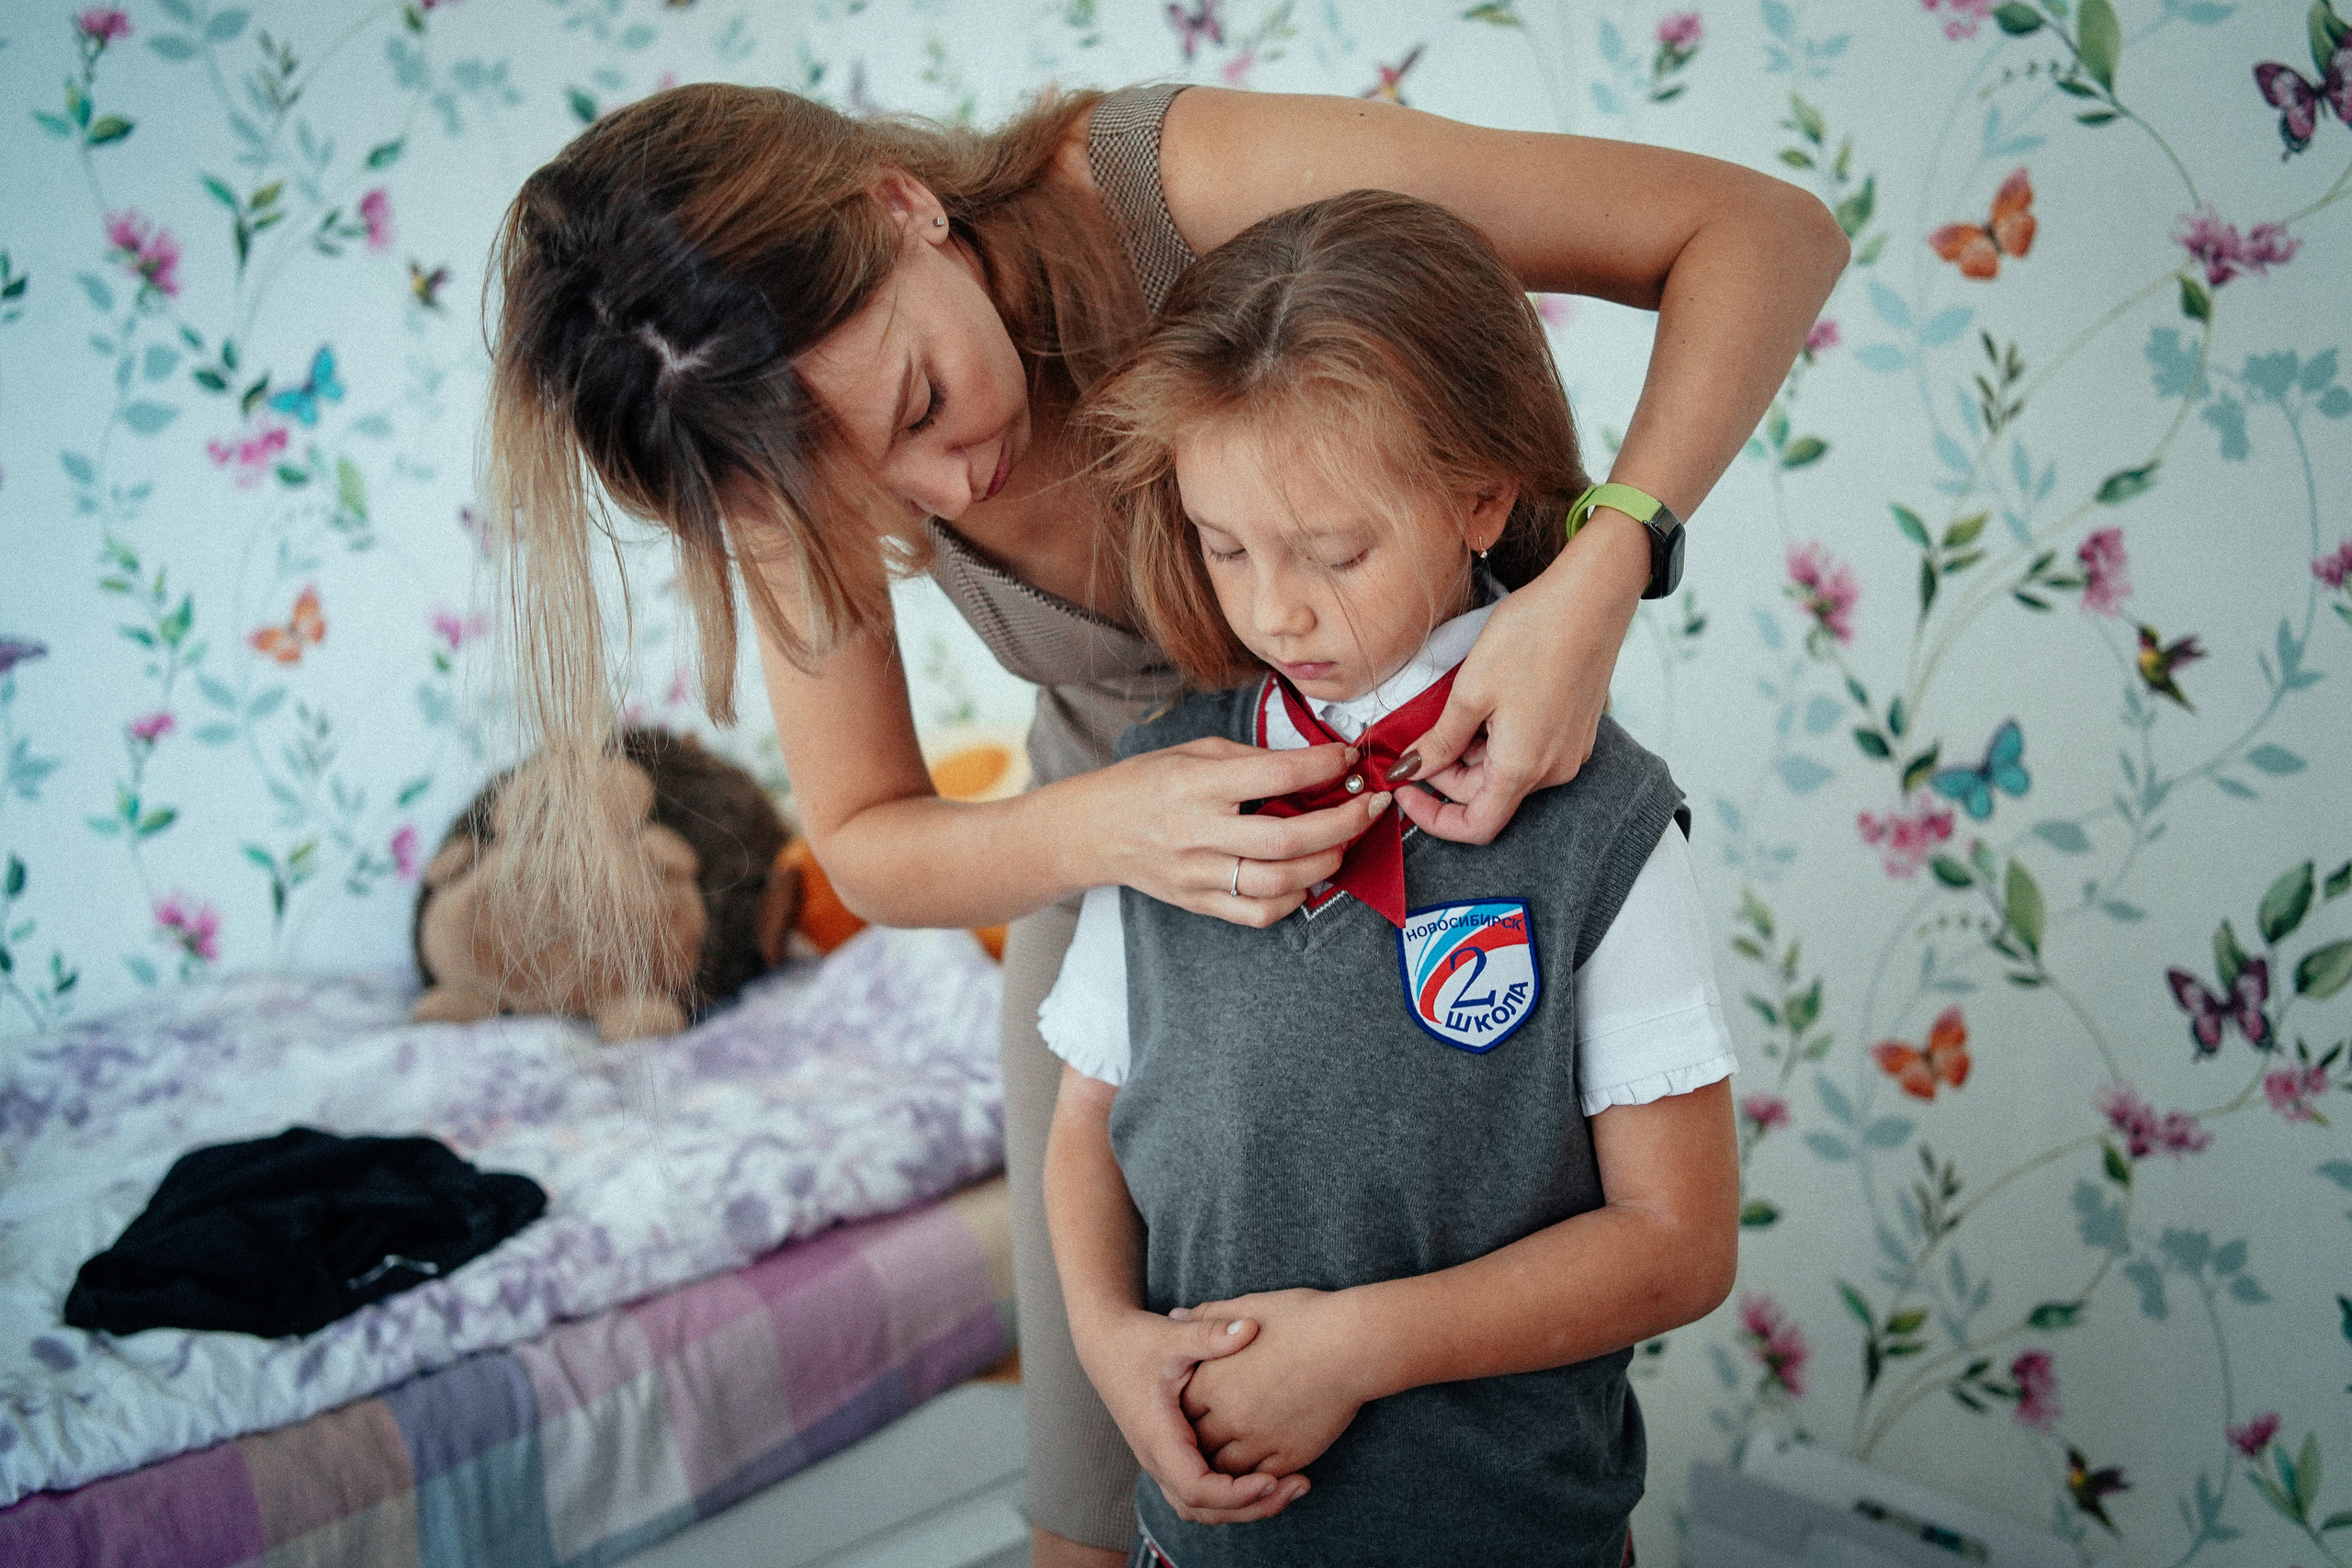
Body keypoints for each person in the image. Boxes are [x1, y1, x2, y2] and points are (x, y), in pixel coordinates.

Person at [483, 80, 1838, 1567]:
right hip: (1110, 857)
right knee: (1104, 1487)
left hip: (1472, 805)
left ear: (900, 206)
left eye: (924, 405)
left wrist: (1603, 567)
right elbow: (869, 837)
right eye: (852, 493)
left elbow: (1761, 231)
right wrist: (1115, 831)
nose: (935, 491)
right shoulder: (759, 439)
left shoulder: (1190, 183)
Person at [1038, 189, 1740, 1567]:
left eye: (1333, 552)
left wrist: (1357, 1349)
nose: (1272, 609)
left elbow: (1677, 1244)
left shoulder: (1600, 823)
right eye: (1224, 546)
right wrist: (1105, 1340)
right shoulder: (1164, 790)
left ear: (1481, 494)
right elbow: (1085, 1132)